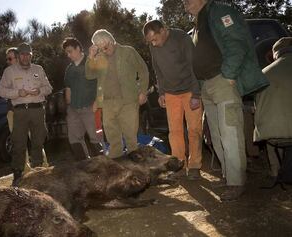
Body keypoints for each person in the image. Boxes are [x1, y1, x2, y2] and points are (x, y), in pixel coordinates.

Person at [182, 0, 269, 200]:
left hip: (222, 81)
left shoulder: (220, 12)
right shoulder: (198, 24)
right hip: (206, 85)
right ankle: (228, 176)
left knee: (230, 131)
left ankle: (236, 181)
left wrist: (229, 75)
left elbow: (236, 43)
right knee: (216, 134)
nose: (184, 2)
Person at [143, 20, 203, 180]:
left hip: (190, 90)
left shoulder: (181, 38)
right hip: (170, 93)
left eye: (155, 39)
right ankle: (179, 165)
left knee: (194, 129)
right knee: (174, 131)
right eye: (150, 42)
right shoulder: (153, 46)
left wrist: (196, 94)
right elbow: (157, 70)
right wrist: (161, 92)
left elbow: (194, 66)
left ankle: (195, 165)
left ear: (163, 30)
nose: (153, 44)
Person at [85, 29, 149, 158]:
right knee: (113, 139)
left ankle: (136, 169)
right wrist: (90, 57)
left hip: (128, 100)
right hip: (108, 102)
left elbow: (143, 70)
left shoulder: (128, 51)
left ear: (111, 39)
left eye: (104, 42)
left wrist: (143, 91)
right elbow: (89, 75)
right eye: (98, 45)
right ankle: (116, 167)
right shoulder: (99, 58)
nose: (103, 47)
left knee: (131, 137)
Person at [0, 43, 52, 186]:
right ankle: (18, 175)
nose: (25, 57)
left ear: (31, 55)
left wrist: (39, 91)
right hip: (20, 111)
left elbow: (49, 88)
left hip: (37, 110)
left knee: (38, 142)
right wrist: (17, 93)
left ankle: (39, 173)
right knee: (18, 143)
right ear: (18, 56)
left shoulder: (38, 69)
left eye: (28, 54)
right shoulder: (9, 71)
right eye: (22, 54)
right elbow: (1, 91)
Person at [254, 37, 292, 183]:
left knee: (270, 123)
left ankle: (275, 171)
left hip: (272, 135)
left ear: (276, 53)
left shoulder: (264, 73)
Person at [62, 37, 103, 160]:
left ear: (78, 48)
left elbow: (102, 83)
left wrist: (98, 102)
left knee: (96, 138)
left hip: (91, 107)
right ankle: (85, 166)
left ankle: (103, 168)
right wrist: (68, 106)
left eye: (70, 51)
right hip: (73, 109)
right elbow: (68, 88)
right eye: (67, 53)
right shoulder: (69, 69)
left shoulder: (91, 62)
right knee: (74, 139)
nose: (69, 55)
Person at [0, 47, 18, 132]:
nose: (7, 62)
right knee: (17, 140)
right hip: (12, 111)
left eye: (10, 59)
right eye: (7, 59)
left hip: (29, 112)